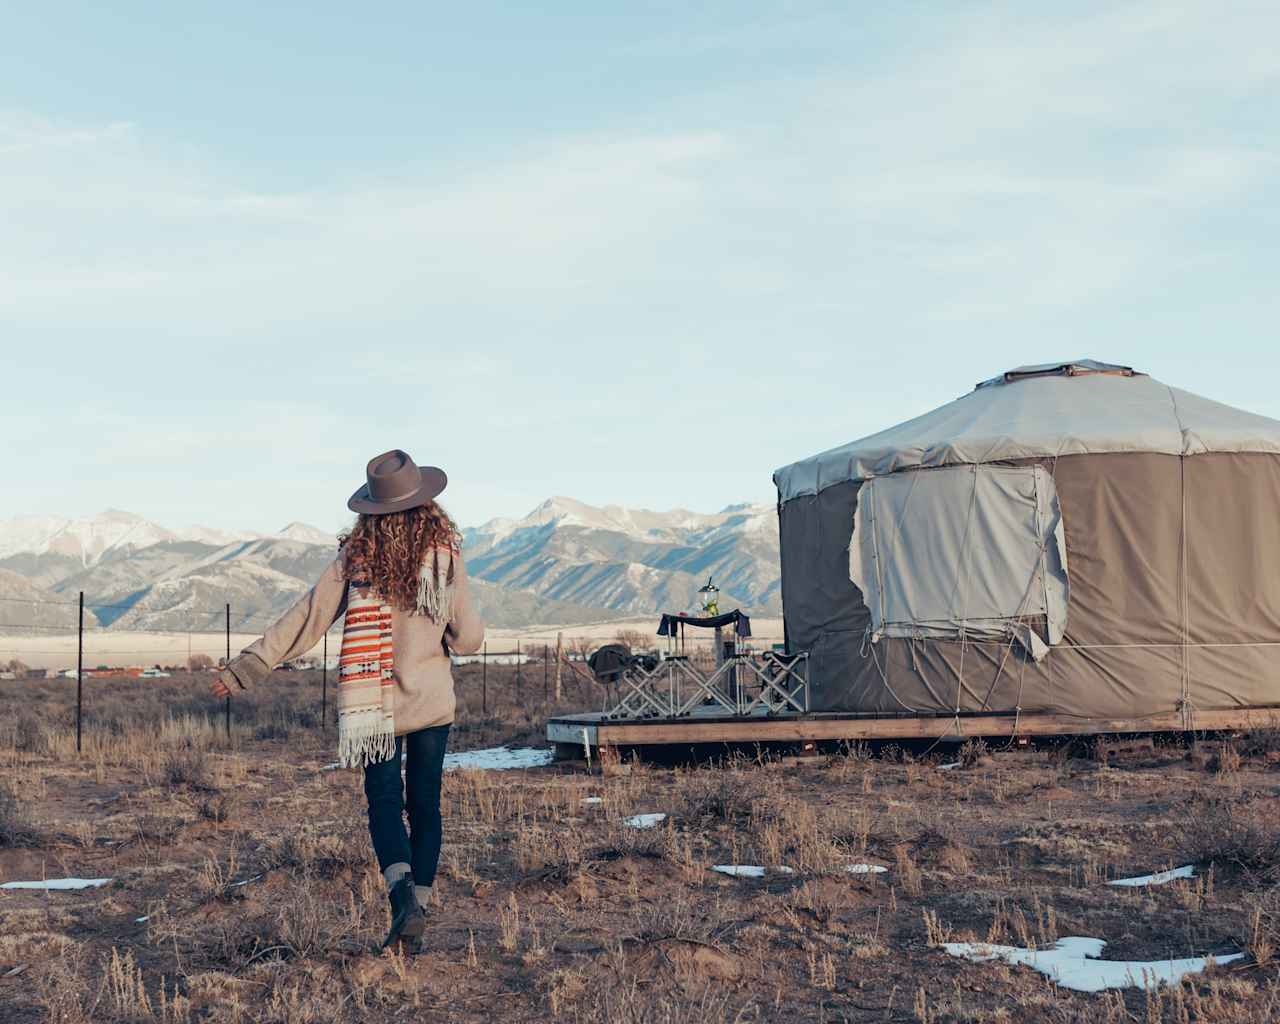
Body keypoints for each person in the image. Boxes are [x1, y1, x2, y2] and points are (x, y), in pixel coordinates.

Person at [212, 449, 485, 950]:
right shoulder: (446, 557)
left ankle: (401, 897)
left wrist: (249, 665)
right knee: (425, 806)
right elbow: (468, 638)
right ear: (426, 504)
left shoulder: (354, 560)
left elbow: (307, 617)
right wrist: (438, 635)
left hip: (372, 709)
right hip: (430, 704)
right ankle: (416, 915)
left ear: (371, 510)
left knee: (384, 804)